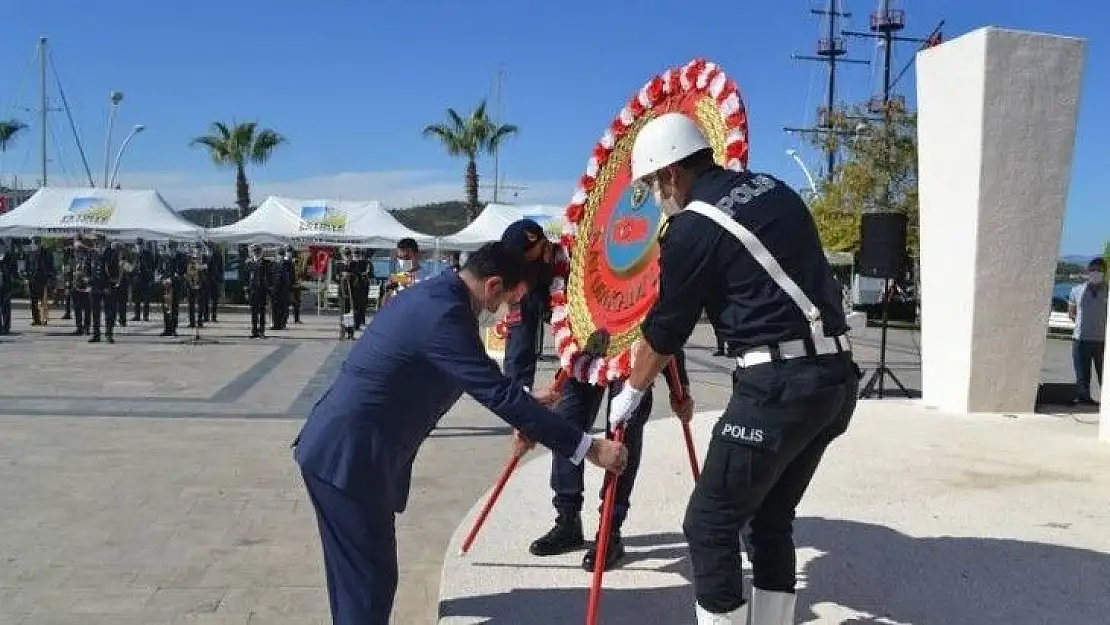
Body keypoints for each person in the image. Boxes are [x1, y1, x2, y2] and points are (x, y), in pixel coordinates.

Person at [292, 241, 629, 625]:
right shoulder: (443, 314)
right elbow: (494, 392)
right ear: (494, 284)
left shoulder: (440, 297)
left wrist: (526, 400)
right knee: (368, 583)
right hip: (348, 459)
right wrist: (589, 448)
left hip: (346, 453)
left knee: (356, 578)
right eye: (508, 300)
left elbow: (479, 377)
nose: (505, 310)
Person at [607, 113, 859, 625]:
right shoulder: (772, 188)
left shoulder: (694, 227)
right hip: (833, 380)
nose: (659, 197)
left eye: (655, 185)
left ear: (672, 174)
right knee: (768, 519)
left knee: (708, 526)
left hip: (778, 388)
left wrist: (632, 392)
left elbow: (666, 327)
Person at [498, 218, 696, 570]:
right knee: (563, 426)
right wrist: (520, 405)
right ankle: (567, 520)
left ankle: (611, 530)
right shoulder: (529, 284)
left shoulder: (585, 259)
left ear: (544, 248)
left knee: (622, 433)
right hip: (582, 360)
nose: (523, 275)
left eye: (527, 264)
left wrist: (680, 389)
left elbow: (658, 314)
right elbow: (520, 343)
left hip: (633, 355)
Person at [1068, 257, 1106, 405]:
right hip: (1081, 341)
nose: (1096, 272)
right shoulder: (1076, 291)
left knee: (1105, 375)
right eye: (1093, 269)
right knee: (1082, 375)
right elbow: (1071, 313)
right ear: (1088, 271)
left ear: (1104, 272)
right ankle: (1085, 401)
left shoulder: (1108, 291)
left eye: (1100, 270)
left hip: (1103, 342)